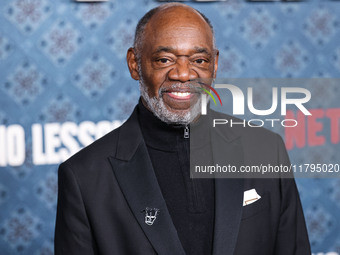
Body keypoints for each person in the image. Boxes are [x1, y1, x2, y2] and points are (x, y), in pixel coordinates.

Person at [55, 3, 311, 255]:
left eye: (199, 60)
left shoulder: (266, 150)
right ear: (135, 64)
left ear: (215, 64)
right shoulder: (84, 176)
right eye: (165, 59)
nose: (183, 74)